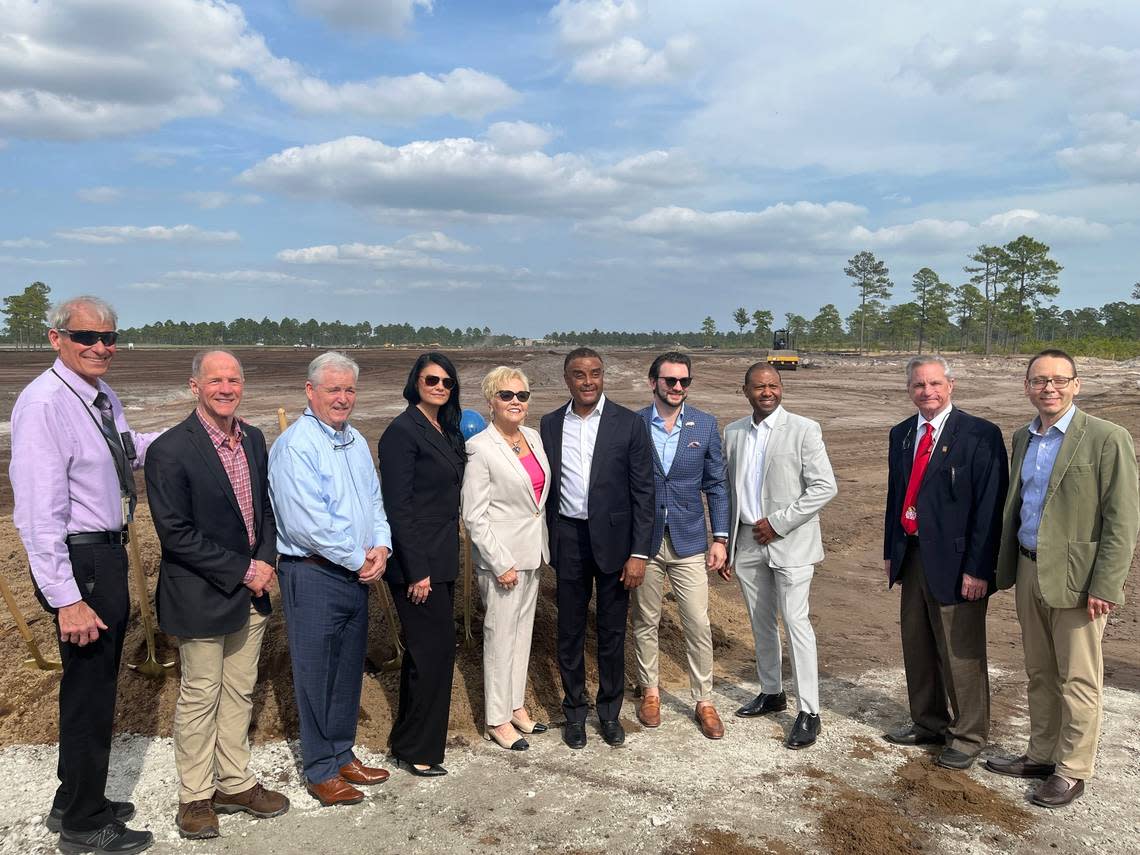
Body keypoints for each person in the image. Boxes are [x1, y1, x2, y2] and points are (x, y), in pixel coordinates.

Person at [10, 296, 158, 854]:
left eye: (109, 337)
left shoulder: (99, 398)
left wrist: (195, 432)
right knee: (90, 693)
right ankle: (82, 822)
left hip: (106, 555)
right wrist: (66, 598)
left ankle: (72, 796)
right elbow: (36, 511)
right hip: (82, 563)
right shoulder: (45, 403)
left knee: (94, 684)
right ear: (57, 338)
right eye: (85, 337)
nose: (100, 347)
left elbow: (130, 451)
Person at [144, 351, 289, 838]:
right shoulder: (170, 450)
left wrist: (265, 562)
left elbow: (265, 511)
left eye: (233, 380)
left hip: (252, 589)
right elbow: (176, 533)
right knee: (200, 695)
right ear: (194, 386)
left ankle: (235, 782)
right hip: (202, 594)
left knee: (239, 691)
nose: (225, 388)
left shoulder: (253, 438)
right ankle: (195, 797)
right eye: (215, 381)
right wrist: (247, 569)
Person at [986, 350, 1139, 807]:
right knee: (1039, 671)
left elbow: (1123, 520)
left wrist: (1105, 585)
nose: (1048, 388)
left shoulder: (1107, 438)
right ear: (1027, 386)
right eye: (1039, 380)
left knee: (1078, 677)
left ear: (1077, 384)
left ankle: (1072, 770)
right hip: (1030, 567)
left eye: (1058, 380)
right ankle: (1041, 753)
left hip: (1079, 580)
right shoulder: (1022, 437)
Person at [268, 352, 392, 806]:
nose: (342, 398)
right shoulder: (296, 445)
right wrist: (358, 558)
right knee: (316, 674)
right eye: (333, 389)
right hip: (315, 574)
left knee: (346, 672)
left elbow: (374, 501)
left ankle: (342, 753)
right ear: (310, 391)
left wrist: (381, 546)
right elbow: (307, 523)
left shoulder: (355, 440)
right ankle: (320, 768)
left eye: (349, 390)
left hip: (355, 573)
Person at [882, 355, 1007, 769]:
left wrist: (978, 568)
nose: (927, 392)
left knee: (960, 650)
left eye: (935, 384)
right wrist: (890, 550)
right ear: (909, 390)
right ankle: (928, 722)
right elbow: (895, 496)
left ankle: (968, 735)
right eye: (919, 385)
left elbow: (990, 508)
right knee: (917, 643)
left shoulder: (980, 435)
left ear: (950, 386)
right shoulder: (902, 434)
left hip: (958, 564)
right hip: (913, 555)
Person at [539, 347, 655, 749]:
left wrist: (639, 553)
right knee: (569, 630)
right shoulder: (551, 424)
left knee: (611, 632)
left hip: (616, 545)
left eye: (594, 373)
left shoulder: (628, 424)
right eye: (578, 374)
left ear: (603, 376)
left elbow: (644, 492)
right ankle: (574, 712)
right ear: (566, 380)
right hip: (569, 538)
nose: (588, 381)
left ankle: (609, 713)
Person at [723, 363, 836, 750]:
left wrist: (779, 523)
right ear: (746, 391)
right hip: (748, 541)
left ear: (781, 388)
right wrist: (726, 543)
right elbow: (729, 489)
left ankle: (809, 712)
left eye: (773, 385)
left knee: (796, 623)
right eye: (759, 386)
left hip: (790, 541)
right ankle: (771, 692)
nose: (767, 391)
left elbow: (824, 486)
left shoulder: (804, 429)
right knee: (760, 622)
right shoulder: (734, 432)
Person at [631, 352, 730, 739]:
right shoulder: (632, 424)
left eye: (683, 381)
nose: (676, 387)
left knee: (697, 622)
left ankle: (704, 700)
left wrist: (720, 537)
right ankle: (650, 691)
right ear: (652, 381)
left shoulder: (704, 425)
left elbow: (716, 485)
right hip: (645, 543)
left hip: (689, 541)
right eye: (669, 380)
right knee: (645, 621)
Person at [378, 352, 467, 775]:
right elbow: (399, 507)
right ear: (415, 382)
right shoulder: (401, 432)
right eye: (431, 380)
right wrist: (417, 570)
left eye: (446, 382)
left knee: (425, 654)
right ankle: (419, 750)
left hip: (443, 557)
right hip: (419, 565)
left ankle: (408, 741)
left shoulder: (445, 429)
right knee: (434, 654)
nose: (439, 387)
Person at [461, 366, 552, 751]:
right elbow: (474, 516)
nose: (516, 402)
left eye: (522, 395)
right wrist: (501, 562)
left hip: (533, 553)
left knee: (522, 636)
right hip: (503, 563)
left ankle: (515, 705)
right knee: (500, 638)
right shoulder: (481, 448)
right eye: (507, 395)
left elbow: (535, 501)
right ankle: (496, 719)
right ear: (491, 401)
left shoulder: (531, 437)